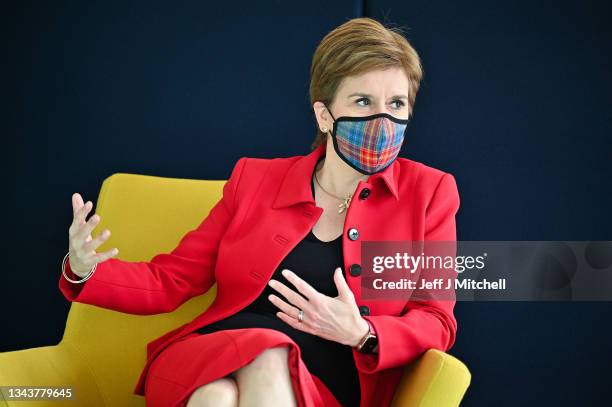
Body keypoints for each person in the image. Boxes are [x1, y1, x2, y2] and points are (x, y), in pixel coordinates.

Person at [60, 17, 460, 407]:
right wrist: (84, 269)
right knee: (257, 361)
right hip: (214, 351)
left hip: (325, 383)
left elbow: (436, 318)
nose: (382, 119)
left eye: (396, 103)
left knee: (215, 398)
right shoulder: (254, 179)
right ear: (325, 116)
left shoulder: (429, 193)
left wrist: (362, 333)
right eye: (362, 101)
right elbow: (172, 278)